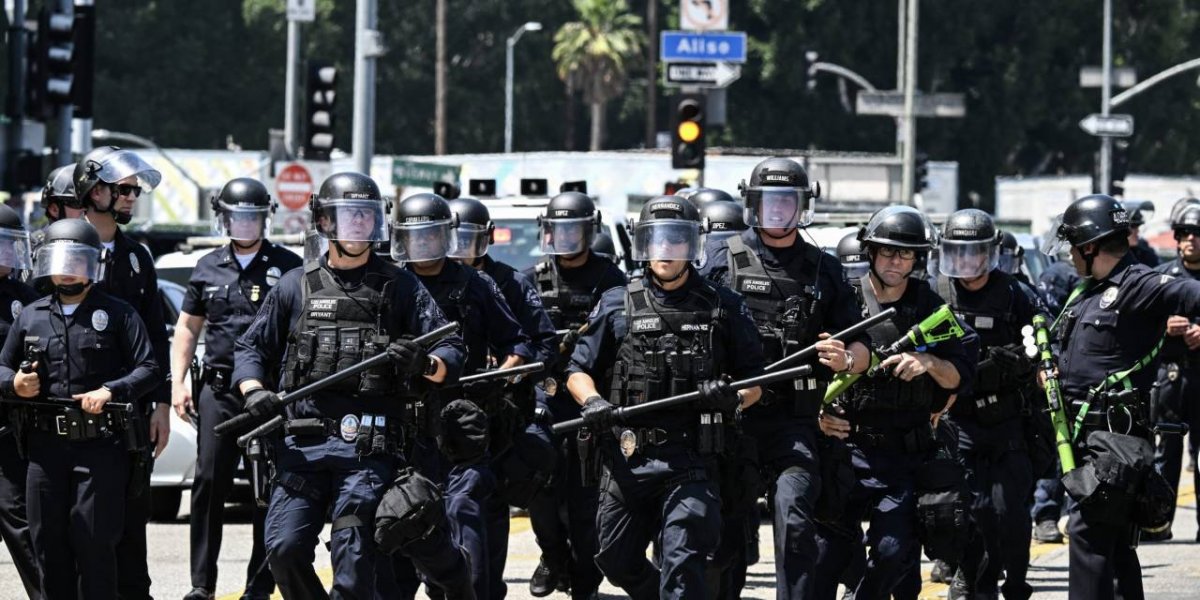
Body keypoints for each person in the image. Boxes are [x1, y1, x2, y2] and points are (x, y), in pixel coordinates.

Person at [232, 172, 473, 599]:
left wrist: (425, 363)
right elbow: (251, 349)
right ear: (324, 223)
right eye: (348, 216)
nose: (359, 225)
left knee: (352, 551)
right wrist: (254, 391)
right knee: (284, 549)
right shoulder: (295, 286)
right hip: (301, 445)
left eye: (366, 216)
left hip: (368, 446)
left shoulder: (399, 284)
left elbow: (451, 347)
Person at [568, 195, 766, 599]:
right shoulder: (616, 302)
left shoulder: (723, 306)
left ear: (692, 246)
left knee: (684, 560)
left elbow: (756, 382)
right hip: (629, 457)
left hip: (692, 457)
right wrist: (593, 402)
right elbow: (576, 371)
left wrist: (732, 397)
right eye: (656, 239)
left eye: (676, 240)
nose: (665, 250)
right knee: (614, 558)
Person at [701, 157, 867, 599]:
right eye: (769, 202)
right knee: (722, 539)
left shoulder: (823, 269)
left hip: (795, 422)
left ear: (802, 206)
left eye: (787, 202)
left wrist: (845, 359)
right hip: (732, 419)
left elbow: (862, 347)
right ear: (753, 204)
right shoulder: (721, 258)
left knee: (795, 516)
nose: (778, 211)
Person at [1040, 194, 1200, 599]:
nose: (1071, 256)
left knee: (1088, 532)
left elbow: (1189, 293)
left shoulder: (1137, 284)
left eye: (1075, 247)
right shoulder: (1087, 292)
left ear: (1091, 246)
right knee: (1114, 547)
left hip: (1116, 440)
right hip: (1081, 438)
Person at [813, 205, 976, 599]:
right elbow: (808, 368)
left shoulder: (931, 308)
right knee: (822, 556)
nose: (895, 260)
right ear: (870, 252)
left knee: (893, 553)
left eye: (905, 254)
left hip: (903, 452)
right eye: (887, 251)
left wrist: (928, 362)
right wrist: (818, 413)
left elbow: (959, 375)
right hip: (845, 447)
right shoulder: (844, 300)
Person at [0, 218, 160, 599]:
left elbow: (150, 368)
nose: (67, 270)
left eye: (77, 261)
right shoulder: (30, 314)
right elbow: (4, 366)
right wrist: (15, 384)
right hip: (44, 451)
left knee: (93, 544)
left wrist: (111, 390)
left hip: (100, 448)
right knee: (46, 545)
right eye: (60, 260)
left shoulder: (118, 314)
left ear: (93, 265)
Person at [391, 192, 533, 600]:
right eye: (415, 237)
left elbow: (518, 345)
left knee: (464, 514)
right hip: (402, 426)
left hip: (462, 425)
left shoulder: (476, 284)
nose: (424, 246)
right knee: (399, 525)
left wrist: (498, 380)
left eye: (432, 236)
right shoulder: (388, 282)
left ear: (447, 237)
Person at [171, 178, 301, 600]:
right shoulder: (207, 265)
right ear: (223, 218)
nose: (245, 224)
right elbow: (188, 329)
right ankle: (201, 585)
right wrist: (179, 384)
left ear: (266, 218)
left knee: (268, 488)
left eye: (253, 216)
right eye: (236, 216)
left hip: (270, 394)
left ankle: (258, 587)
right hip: (220, 391)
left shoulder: (290, 266)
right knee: (209, 482)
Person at [448, 195, 559, 599]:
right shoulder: (422, 279)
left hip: (495, 409)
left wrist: (508, 378)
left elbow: (542, 345)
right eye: (452, 239)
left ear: (487, 239)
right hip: (437, 409)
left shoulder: (510, 282)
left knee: (487, 505)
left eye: (469, 240)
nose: (459, 250)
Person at [74, 146, 170, 599]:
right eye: (124, 189)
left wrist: (162, 403)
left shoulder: (138, 257)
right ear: (95, 190)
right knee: (74, 526)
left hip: (129, 409)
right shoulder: (57, 248)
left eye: (135, 190)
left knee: (133, 515)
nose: (132, 197)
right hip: (71, 407)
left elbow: (157, 334)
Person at [522, 191, 626, 599]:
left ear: (589, 231)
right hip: (542, 400)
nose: (564, 238)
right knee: (540, 494)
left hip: (590, 400)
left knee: (585, 502)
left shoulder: (610, 280)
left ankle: (585, 581)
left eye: (573, 229)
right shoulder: (531, 279)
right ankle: (552, 556)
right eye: (557, 229)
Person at [936, 209, 1041, 600]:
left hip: (1006, 420)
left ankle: (1015, 579)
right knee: (967, 510)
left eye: (974, 252)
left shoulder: (1015, 294)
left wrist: (1024, 361)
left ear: (990, 253)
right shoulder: (938, 292)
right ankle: (970, 576)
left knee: (1009, 510)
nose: (966, 262)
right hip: (957, 420)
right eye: (958, 252)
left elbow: (1047, 342)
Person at [1144, 202, 1200, 543]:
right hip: (1171, 377)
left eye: (1197, 233)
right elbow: (1139, 326)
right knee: (1166, 455)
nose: (1191, 239)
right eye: (1184, 233)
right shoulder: (1162, 278)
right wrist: (1163, 326)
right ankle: (1159, 523)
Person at [0, 204, 42, 598]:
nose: (8, 256)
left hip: (13, 432)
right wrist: (10, 382)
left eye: (12, 246)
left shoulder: (25, 297)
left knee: (25, 526)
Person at [1123, 200, 1160, 268]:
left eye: (1138, 226)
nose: (1137, 231)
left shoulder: (1145, 253)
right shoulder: (1109, 255)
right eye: (1133, 226)